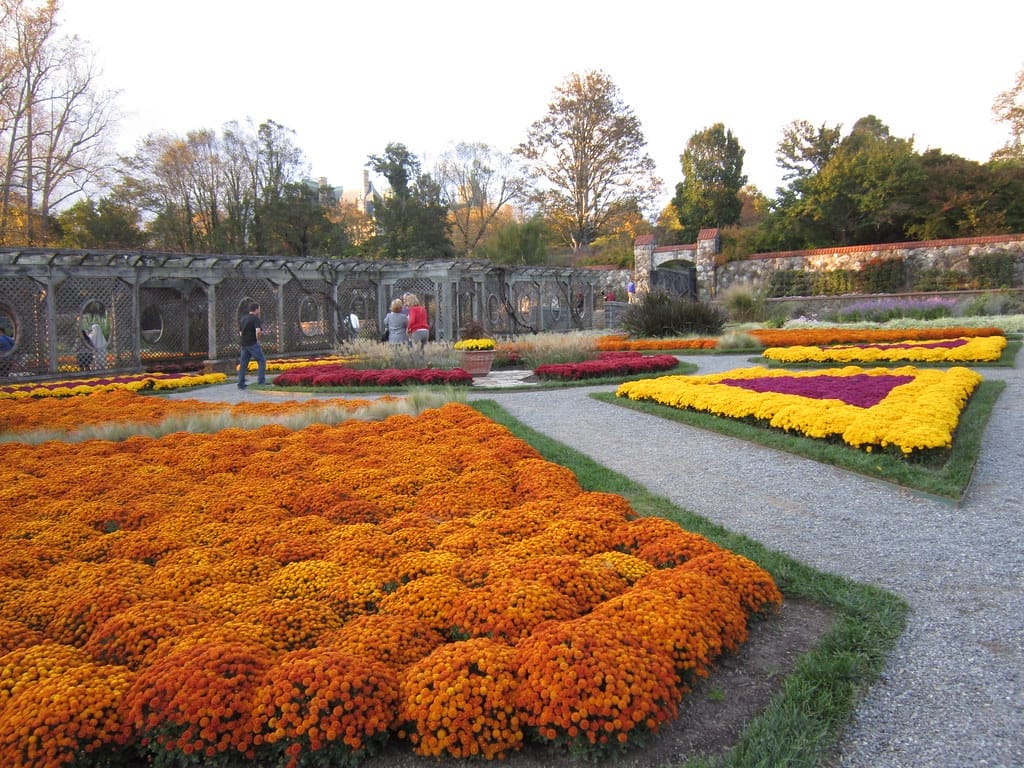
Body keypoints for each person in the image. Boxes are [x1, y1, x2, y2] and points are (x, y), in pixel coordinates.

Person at [238, 301, 266, 389]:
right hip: (252, 343)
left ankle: (241, 383)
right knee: (261, 360)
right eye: (259, 309)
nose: (260, 311)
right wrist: (258, 340)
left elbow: (240, 332)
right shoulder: (255, 319)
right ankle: (261, 381)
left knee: (243, 364)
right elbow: (258, 331)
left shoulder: (243, 319)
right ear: (256, 310)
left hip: (244, 344)